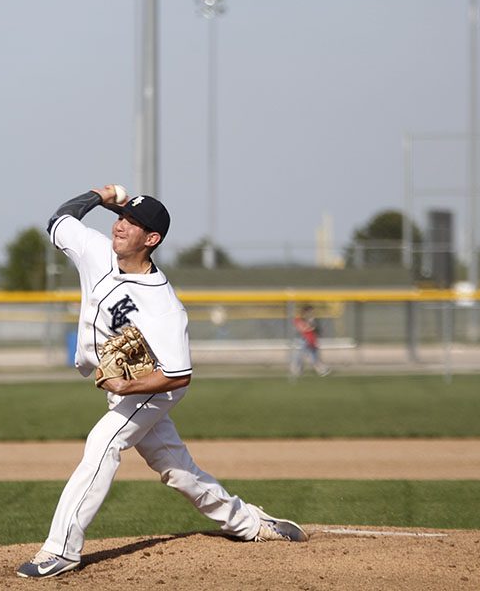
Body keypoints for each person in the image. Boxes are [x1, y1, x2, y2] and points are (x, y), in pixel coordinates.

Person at [17, 186, 308, 579]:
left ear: (151, 239)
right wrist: (98, 195)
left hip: (156, 388)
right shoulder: (95, 249)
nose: (121, 225)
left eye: (134, 224)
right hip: (131, 384)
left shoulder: (164, 305)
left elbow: (178, 373)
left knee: (103, 443)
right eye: (122, 217)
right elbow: (59, 221)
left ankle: (61, 549)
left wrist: (125, 388)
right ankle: (249, 524)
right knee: (176, 468)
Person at [291, 305, 330, 377]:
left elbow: (316, 329)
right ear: (305, 312)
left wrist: (312, 326)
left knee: (313, 356)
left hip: (311, 340)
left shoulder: (313, 320)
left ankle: (321, 369)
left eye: (312, 312)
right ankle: (297, 370)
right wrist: (310, 326)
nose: (311, 313)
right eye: (310, 312)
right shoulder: (299, 319)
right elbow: (302, 329)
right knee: (300, 356)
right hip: (303, 340)